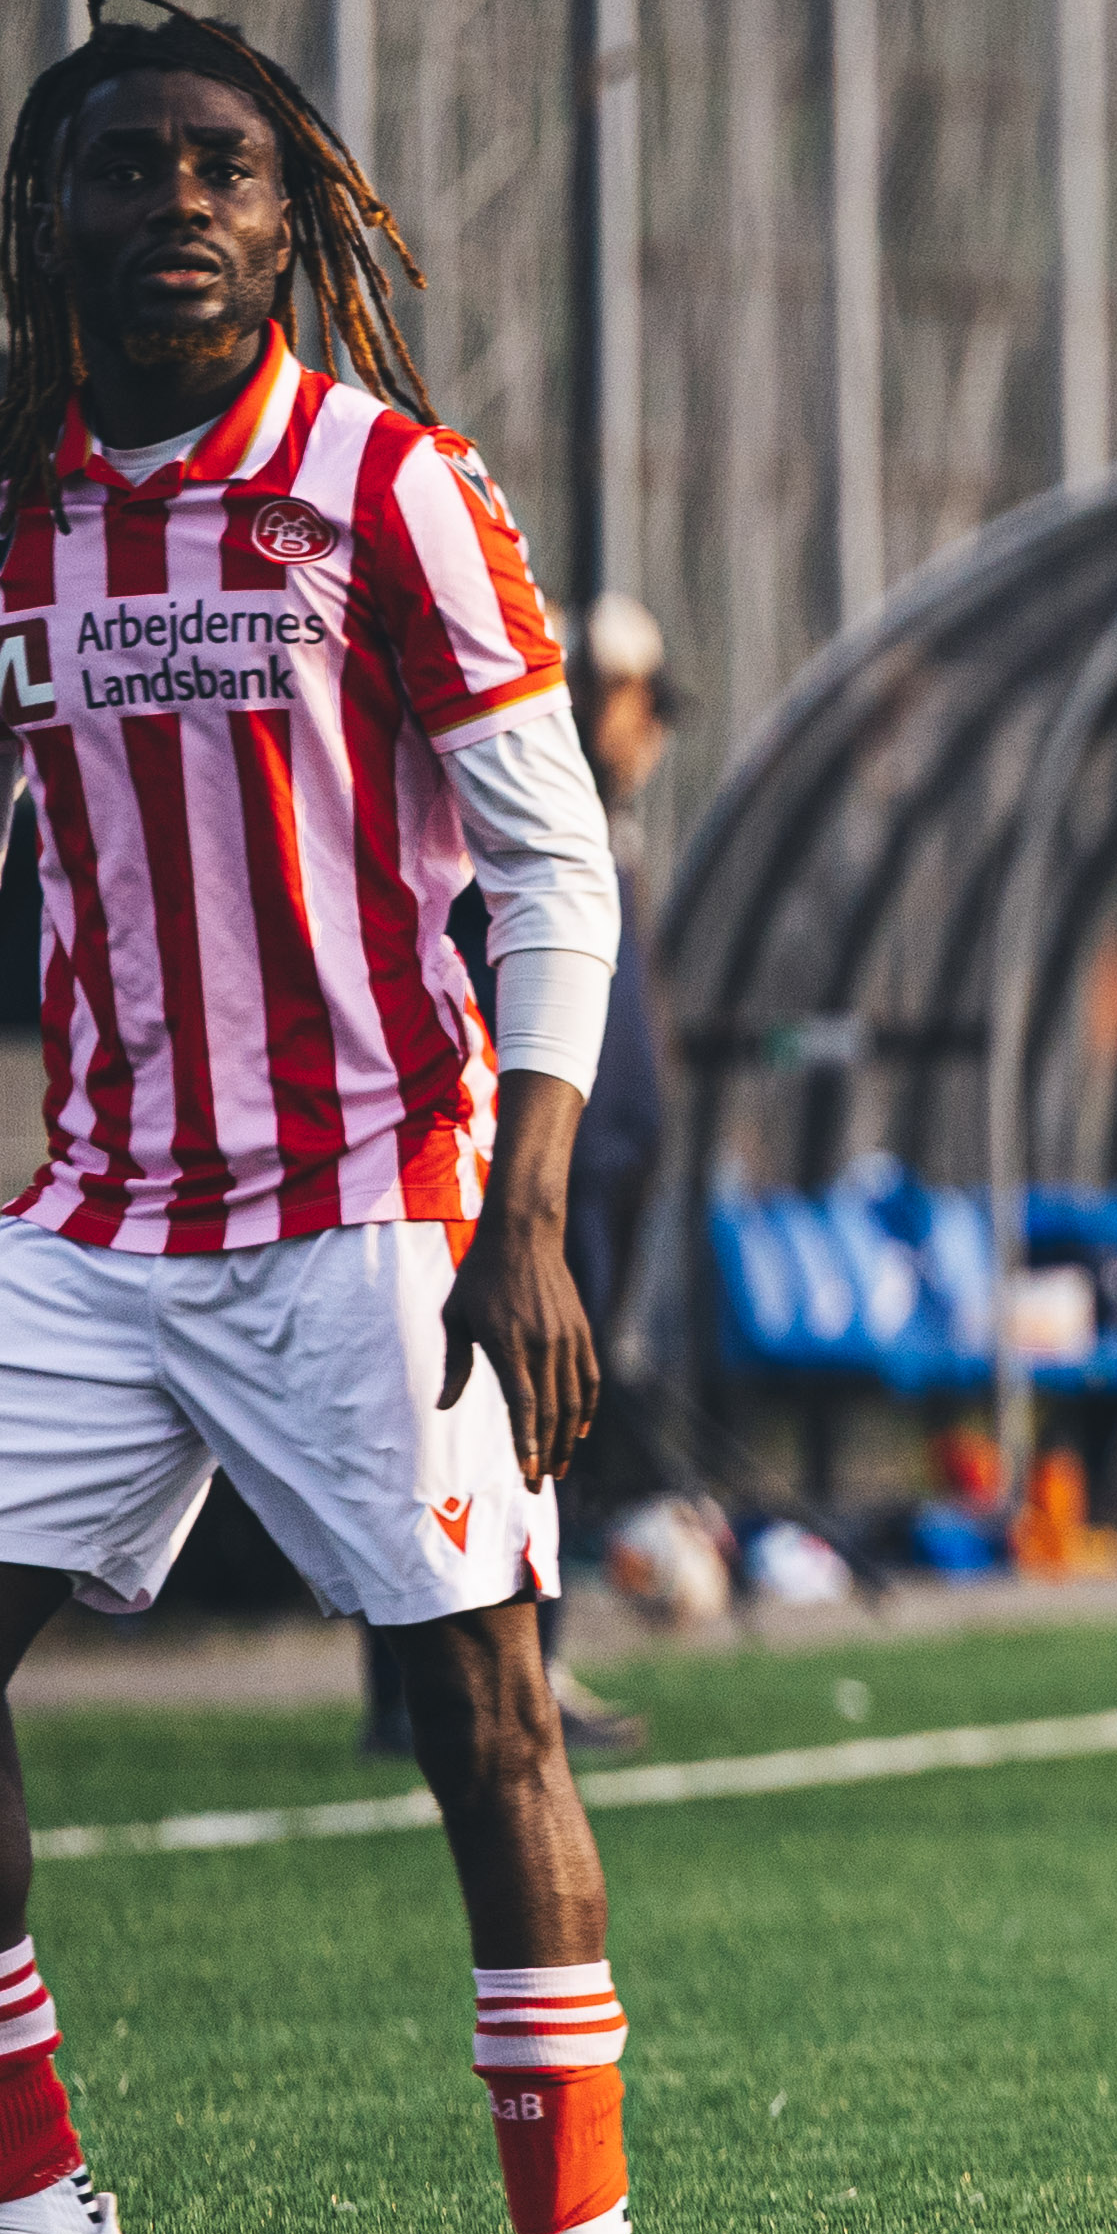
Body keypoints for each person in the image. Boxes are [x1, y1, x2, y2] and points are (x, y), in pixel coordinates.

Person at [0, 0, 661, 2234]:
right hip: (109, 1210)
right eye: (131, 168)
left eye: (229, 168)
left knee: (477, 1700)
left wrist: (528, 1205)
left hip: (378, 1191)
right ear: (55, 218)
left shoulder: (389, 484)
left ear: (292, 217)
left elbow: (553, 862)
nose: (183, 206)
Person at [357, 588, 669, 1764]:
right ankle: (452, 1680)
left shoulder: (600, 823)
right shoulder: (507, 808)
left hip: (590, 1172)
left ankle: (506, 1668)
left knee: (532, 1423)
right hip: (514, 1174)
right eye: (640, 700)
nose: (651, 729)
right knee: (461, 1423)